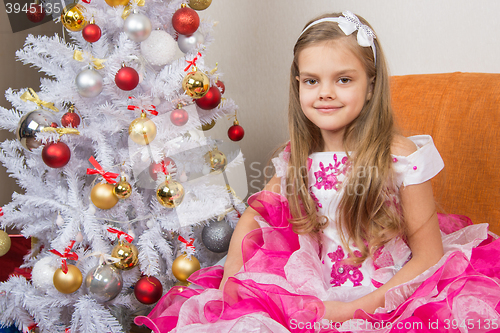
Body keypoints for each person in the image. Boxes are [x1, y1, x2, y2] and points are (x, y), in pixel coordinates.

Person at [135, 11, 500, 333]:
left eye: (343, 79)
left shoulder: (399, 155)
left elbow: (428, 256)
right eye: (312, 81)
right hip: (313, 287)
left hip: (389, 293)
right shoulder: (297, 157)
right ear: (298, 86)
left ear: (371, 85)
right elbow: (255, 213)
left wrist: (352, 310)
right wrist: (232, 270)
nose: (325, 93)